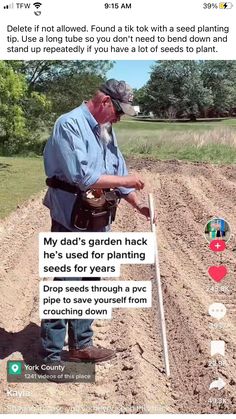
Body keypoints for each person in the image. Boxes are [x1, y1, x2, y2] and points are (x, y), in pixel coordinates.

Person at [41, 79, 153, 364]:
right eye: (118, 112)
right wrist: (127, 181)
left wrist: (137, 203)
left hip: (97, 218)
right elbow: (84, 178)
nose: (119, 118)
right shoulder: (69, 124)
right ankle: (51, 357)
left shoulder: (105, 129)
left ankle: (82, 345)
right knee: (67, 282)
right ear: (105, 102)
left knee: (91, 280)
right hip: (70, 217)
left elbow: (117, 166)